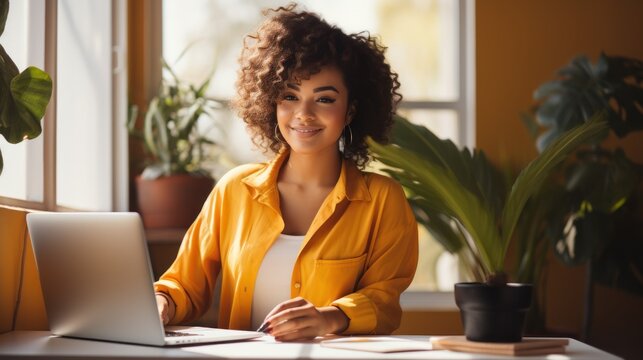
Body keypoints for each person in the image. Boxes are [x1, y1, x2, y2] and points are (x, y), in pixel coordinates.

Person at [154, 4, 418, 342]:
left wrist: (330, 318)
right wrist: (161, 303)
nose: (303, 114)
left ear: (351, 110)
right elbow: (184, 286)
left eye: (324, 99)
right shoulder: (234, 190)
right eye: (289, 96)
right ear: (271, 102)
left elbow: (384, 301)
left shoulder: (382, 200)